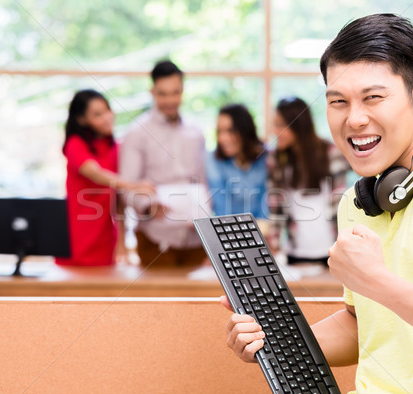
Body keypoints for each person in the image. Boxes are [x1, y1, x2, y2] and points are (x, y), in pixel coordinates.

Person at [222, 13, 413, 394]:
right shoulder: (358, 203)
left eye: (373, 97)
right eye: (338, 102)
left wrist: (379, 283)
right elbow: (368, 326)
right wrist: (276, 341)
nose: (354, 118)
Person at [119, 60, 208, 267]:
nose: (170, 100)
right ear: (152, 92)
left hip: (195, 240)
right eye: (163, 93)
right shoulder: (137, 133)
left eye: (175, 93)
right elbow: (127, 186)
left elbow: (202, 180)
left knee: (200, 300)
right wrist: (149, 207)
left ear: (183, 90)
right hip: (155, 240)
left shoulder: (196, 132)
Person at [56, 89, 153, 267]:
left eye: (107, 110)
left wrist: (122, 242)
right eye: (97, 114)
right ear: (82, 119)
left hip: (105, 237)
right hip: (77, 234)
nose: (107, 117)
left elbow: (118, 202)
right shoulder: (75, 144)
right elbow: (96, 173)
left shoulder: (116, 148)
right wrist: (135, 185)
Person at [268, 96, 350, 264]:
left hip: (331, 249)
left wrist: (345, 245)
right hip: (294, 251)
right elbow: (276, 208)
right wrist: (273, 245)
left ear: (298, 125)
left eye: (280, 125)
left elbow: (340, 202)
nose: (275, 131)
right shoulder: (276, 160)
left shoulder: (330, 152)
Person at [206, 103, 268, 219]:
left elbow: (264, 203)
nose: (222, 138)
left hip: (260, 228)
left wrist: (260, 229)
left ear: (244, 130)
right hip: (230, 229)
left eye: (230, 130)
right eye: (219, 131)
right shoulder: (214, 159)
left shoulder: (265, 157)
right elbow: (221, 207)